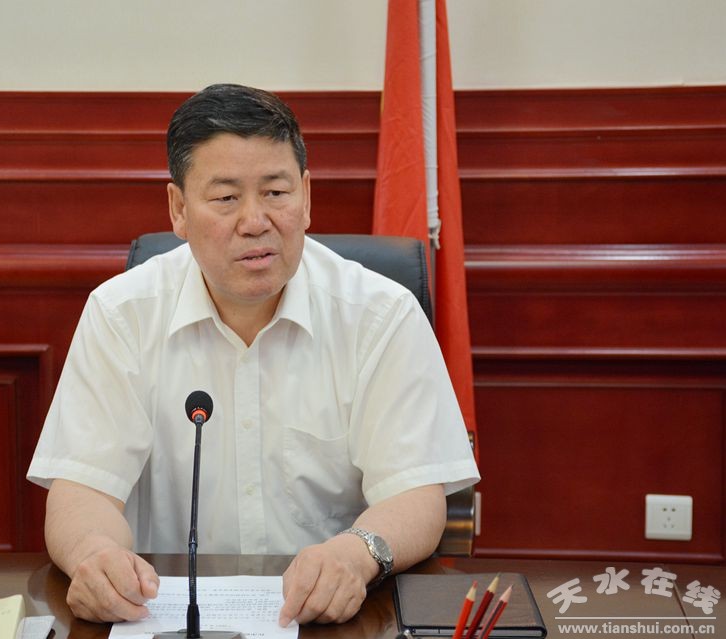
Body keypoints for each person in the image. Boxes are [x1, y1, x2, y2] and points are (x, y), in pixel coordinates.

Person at [27, 83, 479, 627]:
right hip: (167, 619)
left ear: (306, 196)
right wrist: (95, 554)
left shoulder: (381, 315)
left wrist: (356, 553)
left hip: (332, 621)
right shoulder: (121, 314)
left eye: (276, 192)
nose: (255, 221)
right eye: (225, 198)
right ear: (179, 209)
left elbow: (416, 494)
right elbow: (81, 490)